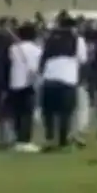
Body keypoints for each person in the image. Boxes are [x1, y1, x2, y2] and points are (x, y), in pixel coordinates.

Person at [38, 13, 86, 151]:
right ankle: (63, 141)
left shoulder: (50, 39)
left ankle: (49, 139)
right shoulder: (78, 40)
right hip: (67, 79)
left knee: (49, 112)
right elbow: (82, 59)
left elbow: (43, 57)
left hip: (49, 78)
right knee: (65, 112)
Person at [7, 22, 42, 153]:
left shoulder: (13, 48)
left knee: (17, 113)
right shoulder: (36, 49)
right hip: (28, 83)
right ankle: (25, 141)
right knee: (27, 113)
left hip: (14, 82)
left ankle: (18, 140)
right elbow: (36, 67)